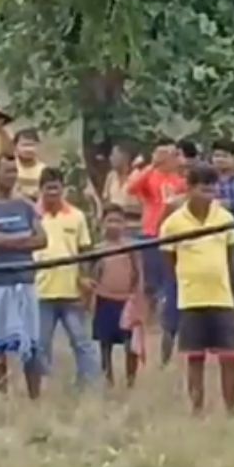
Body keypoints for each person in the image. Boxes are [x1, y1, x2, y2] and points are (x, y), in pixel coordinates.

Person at [159, 163, 234, 414]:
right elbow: (169, 260)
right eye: (202, 188)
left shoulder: (225, 219)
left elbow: (231, 256)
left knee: (228, 357)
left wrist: (232, 291)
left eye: (212, 188)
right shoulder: (173, 223)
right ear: (190, 189)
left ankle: (231, 409)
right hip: (190, 299)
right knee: (195, 358)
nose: (208, 193)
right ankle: (197, 408)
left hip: (222, 297)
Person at [0, 153, 47, 398]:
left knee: (32, 343)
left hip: (25, 280)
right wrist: (23, 240)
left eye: (14, 171)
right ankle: (2, 396)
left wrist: (9, 241)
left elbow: (42, 239)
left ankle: (34, 397)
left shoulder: (26, 204)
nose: (12, 176)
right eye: (7, 171)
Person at [34, 167, 100, 388]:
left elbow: (85, 250)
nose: (52, 193)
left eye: (56, 188)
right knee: (41, 344)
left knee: (81, 341)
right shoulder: (33, 215)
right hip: (41, 289)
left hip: (71, 290)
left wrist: (85, 278)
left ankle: (89, 385)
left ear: (63, 189)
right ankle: (42, 387)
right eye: (48, 188)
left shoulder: (76, 216)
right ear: (40, 189)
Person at [127, 136, 188, 364]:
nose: (168, 159)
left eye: (171, 154)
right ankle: (148, 319)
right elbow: (132, 188)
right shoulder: (150, 176)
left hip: (172, 235)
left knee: (168, 279)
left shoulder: (180, 180)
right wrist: (151, 165)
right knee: (149, 280)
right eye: (163, 154)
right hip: (151, 232)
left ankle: (166, 320)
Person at [93, 204, 144, 388]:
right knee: (104, 344)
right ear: (102, 224)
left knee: (130, 345)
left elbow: (138, 274)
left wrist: (137, 299)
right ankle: (108, 381)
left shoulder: (131, 247)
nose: (114, 225)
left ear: (125, 225)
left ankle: (131, 381)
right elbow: (92, 276)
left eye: (118, 221)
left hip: (126, 302)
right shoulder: (97, 249)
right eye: (110, 221)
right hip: (104, 300)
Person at [102, 141, 143, 235]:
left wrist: (122, 210)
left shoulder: (138, 176)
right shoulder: (111, 176)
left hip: (134, 228)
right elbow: (106, 200)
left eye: (114, 155)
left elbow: (145, 205)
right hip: (113, 228)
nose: (110, 158)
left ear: (125, 157)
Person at [13, 128, 47, 201]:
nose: (28, 149)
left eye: (32, 145)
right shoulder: (8, 167)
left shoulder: (44, 170)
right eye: (25, 145)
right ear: (15, 146)